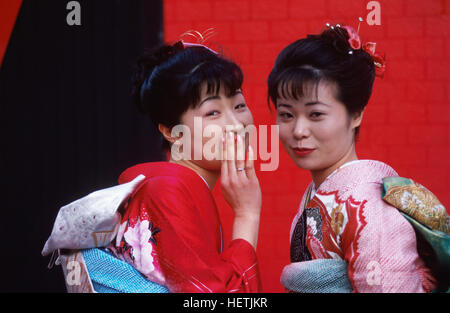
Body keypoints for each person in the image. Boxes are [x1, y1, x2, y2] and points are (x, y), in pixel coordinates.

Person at [267, 24, 438, 292]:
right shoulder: (321, 193)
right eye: (287, 114)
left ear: (356, 114)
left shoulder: (369, 207)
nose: (298, 131)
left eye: (316, 115)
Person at [102, 40, 262, 293]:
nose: (235, 124)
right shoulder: (165, 193)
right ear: (171, 132)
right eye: (213, 113)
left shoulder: (170, 189)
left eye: (239, 105)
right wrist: (247, 215)